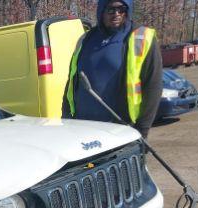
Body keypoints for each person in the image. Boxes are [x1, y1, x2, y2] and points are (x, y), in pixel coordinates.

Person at [63, 0, 162, 138]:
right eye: (111, 9)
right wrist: (66, 117)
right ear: (101, 11)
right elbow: (72, 82)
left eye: (121, 9)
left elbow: (153, 86)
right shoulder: (85, 40)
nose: (116, 14)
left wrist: (142, 130)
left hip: (121, 131)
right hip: (82, 130)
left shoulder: (141, 38)